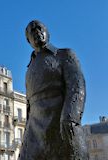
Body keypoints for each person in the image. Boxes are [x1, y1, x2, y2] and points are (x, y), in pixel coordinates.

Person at [19, 20, 88, 160]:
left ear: (47, 32)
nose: (37, 32)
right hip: (34, 130)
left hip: (59, 119)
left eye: (39, 28)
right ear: (28, 40)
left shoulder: (65, 55)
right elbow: (28, 105)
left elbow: (76, 85)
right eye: (32, 31)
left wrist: (71, 117)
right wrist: (26, 133)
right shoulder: (29, 69)